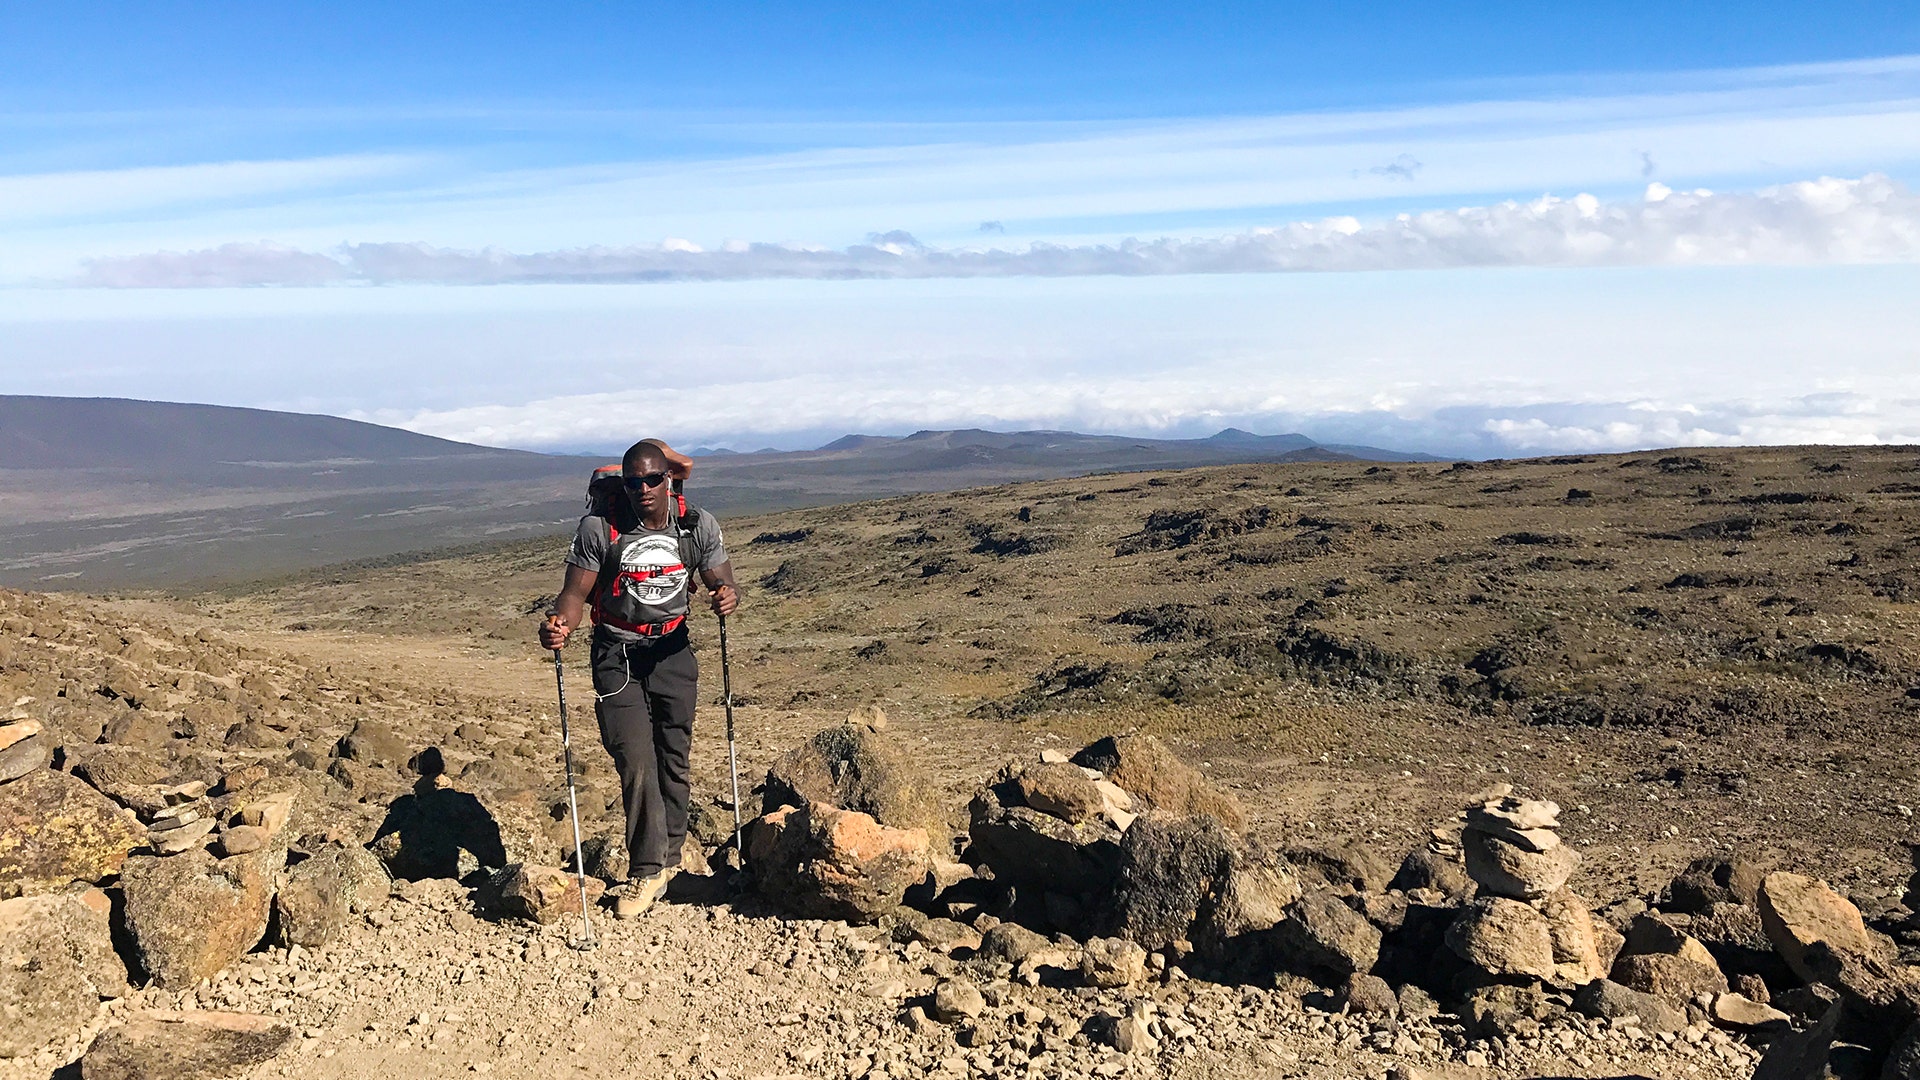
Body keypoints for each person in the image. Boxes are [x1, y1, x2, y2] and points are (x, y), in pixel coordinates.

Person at [538, 438, 738, 918]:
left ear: (669, 479)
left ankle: (669, 859)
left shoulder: (695, 525)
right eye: (632, 482)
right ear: (622, 486)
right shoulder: (599, 529)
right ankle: (647, 870)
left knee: (674, 755)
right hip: (616, 652)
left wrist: (726, 595)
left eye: (652, 479)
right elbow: (574, 592)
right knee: (635, 757)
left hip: (672, 650)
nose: (643, 489)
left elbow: (723, 579)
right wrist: (558, 623)